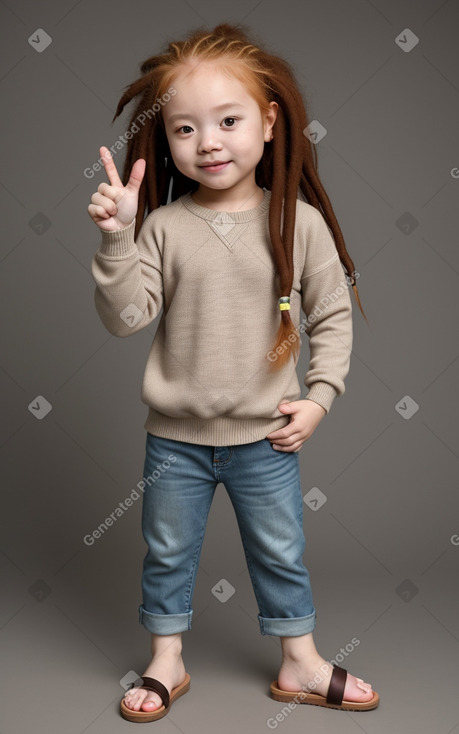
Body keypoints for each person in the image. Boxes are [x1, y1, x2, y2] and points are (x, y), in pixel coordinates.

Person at [88, 22, 379, 723]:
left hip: (264, 438)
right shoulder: (162, 228)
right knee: (166, 551)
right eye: (184, 129)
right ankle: (166, 660)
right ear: (167, 140)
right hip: (176, 441)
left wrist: (320, 396)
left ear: (270, 121)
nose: (207, 142)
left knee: (281, 551)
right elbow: (125, 317)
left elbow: (331, 320)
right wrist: (116, 241)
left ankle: (299, 661)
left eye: (227, 121)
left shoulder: (296, 222)